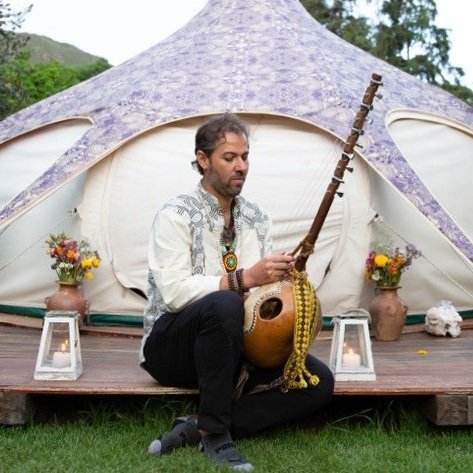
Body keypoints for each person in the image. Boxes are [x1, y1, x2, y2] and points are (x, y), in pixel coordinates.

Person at [140, 113, 334, 471]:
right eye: (230, 158)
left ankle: (197, 427)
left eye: (245, 157)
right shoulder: (174, 215)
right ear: (203, 160)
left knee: (319, 381)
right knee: (225, 303)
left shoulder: (257, 218)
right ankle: (216, 437)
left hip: (234, 349)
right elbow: (173, 293)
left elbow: (258, 294)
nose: (241, 166)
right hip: (173, 347)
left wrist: (283, 280)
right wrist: (246, 277)